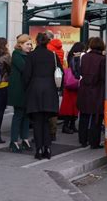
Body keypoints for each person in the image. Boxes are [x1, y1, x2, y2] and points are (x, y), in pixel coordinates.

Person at [23, 32, 62, 160]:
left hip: (35, 91)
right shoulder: (53, 56)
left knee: (37, 122)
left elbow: (26, 76)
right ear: (47, 42)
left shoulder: (31, 56)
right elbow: (60, 74)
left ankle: (39, 149)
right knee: (46, 121)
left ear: (37, 42)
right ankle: (48, 148)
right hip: (50, 91)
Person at [77, 37, 106, 149]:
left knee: (84, 116)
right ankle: (94, 142)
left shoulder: (84, 57)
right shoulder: (102, 59)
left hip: (84, 90)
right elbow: (103, 76)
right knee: (96, 118)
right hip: (97, 91)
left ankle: (83, 140)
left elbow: (81, 71)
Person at [7, 34, 33, 152]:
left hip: (26, 90)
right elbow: (25, 69)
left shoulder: (27, 55)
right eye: (27, 44)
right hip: (19, 91)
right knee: (18, 115)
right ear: (20, 44)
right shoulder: (17, 55)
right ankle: (14, 141)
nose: (30, 46)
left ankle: (24, 139)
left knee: (26, 116)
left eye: (30, 44)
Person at [60, 42, 85, 134]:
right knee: (70, 107)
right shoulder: (74, 58)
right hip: (73, 84)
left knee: (73, 106)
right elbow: (75, 70)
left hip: (71, 85)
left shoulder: (70, 56)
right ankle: (67, 125)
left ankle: (71, 125)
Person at [45, 30, 64, 141]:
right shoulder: (59, 48)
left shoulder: (49, 48)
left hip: (48, 79)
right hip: (56, 80)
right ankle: (53, 132)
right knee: (53, 107)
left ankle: (47, 131)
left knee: (46, 107)